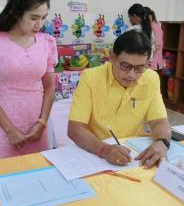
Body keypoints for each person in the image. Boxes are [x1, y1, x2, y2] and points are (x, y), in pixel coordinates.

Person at [0, 0, 57, 159]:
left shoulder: (47, 42)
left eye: (43, 18)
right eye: (34, 18)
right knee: (6, 178)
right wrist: (10, 131)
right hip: (5, 127)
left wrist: (41, 123)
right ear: (18, 13)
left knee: (39, 176)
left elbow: (49, 87)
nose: (39, 24)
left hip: (37, 126)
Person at [67, 29, 171, 169]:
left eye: (140, 67)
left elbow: (159, 120)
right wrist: (104, 150)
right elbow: (75, 129)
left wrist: (162, 142)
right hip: (96, 152)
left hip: (134, 155)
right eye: (125, 66)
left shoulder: (151, 78)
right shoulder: (90, 78)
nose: (132, 75)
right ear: (112, 57)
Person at [128, 4, 163, 70]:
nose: (129, 20)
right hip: (145, 64)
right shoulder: (148, 29)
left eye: (129, 17)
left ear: (135, 16)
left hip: (140, 65)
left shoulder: (134, 29)